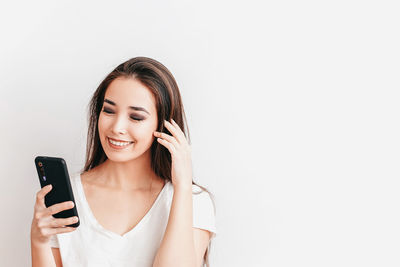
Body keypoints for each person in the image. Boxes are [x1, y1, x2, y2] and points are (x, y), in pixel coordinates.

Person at [30, 57, 217, 267]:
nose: (117, 127)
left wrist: (182, 186)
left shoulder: (192, 200)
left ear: (164, 126)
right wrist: (39, 242)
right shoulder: (67, 196)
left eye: (136, 117)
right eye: (108, 110)